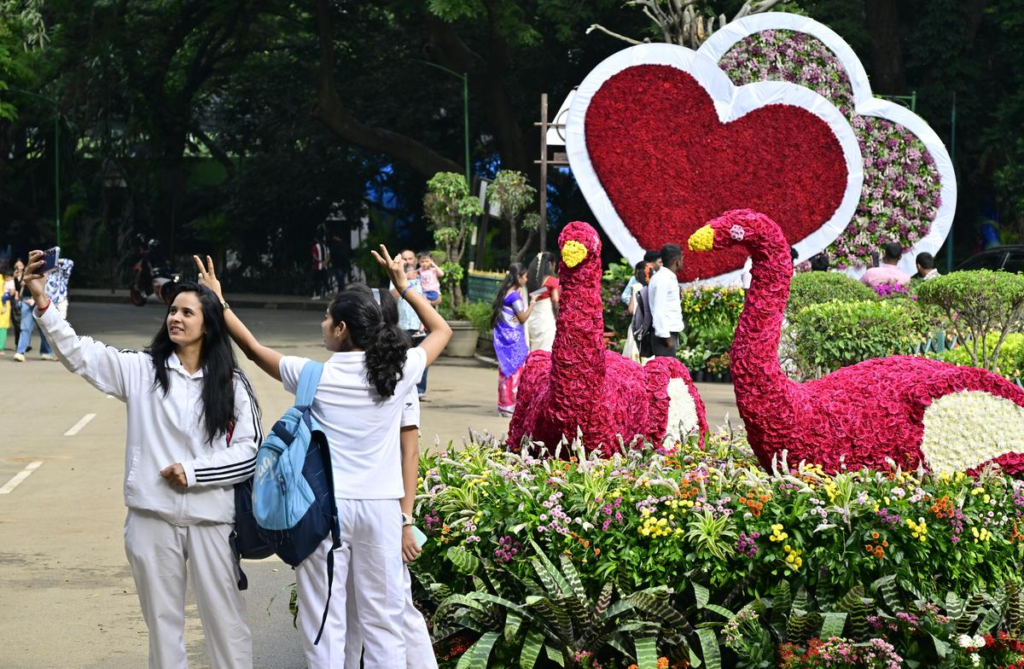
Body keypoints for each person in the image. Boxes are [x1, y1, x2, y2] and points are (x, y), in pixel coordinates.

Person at [193, 246, 451, 669]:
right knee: (384, 623)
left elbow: (253, 349)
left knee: (324, 623)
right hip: (382, 510)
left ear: (342, 328)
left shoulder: (314, 375)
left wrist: (219, 302)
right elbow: (441, 330)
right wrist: (404, 287)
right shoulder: (398, 371)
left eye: (327, 317)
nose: (322, 323)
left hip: (326, 512)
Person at [23, 251, 260, 668]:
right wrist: (43, 301)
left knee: (226, 625)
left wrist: (193, 472)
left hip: (212, 522)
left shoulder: (232, 383)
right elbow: (79, 354)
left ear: (208, 324)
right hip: (151, 518)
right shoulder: (142, 369)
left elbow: (248, 451)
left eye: (187, 312)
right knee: (163, 629)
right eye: (173, 311)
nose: (176, 318)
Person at [342, 284, 437, 669]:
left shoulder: (399, 376)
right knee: (347, 613)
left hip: (384, 513)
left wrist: (405, 520)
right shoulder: (341, 372)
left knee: (396, 609)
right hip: (348, 511)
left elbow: (409, 453)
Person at [491, 263, 534, 416]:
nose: (526, 279)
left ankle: (504, 405)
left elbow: (511, 316)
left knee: (505, 370)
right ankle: (512, 405)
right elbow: (522, 318)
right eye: (525, 276)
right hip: (514, 340)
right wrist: (533, 302)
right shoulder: (514, 296)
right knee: (516, 370)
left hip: (505, 338)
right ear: (518, 277)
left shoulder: (506, 292)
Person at [392, 249, 428, 397]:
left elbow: (437, 298)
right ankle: (403, 389)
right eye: (405, 259)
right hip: (402, 325)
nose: (408, 262)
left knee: (422, 359)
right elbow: (392, 296)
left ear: (415, 260)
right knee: (402, 359)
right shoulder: (395, 276)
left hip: (421, 324)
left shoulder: (424, 276)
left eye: (410, 258)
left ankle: (420, 390)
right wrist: (403, 279)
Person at [14, 253, 57, 362]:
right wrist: (19, 279)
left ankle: (46, 352)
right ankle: (20, 352)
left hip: (40, 301)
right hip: (26, 301)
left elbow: (48, 288)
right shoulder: (22, 274)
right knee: (25, 327)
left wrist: (35, 299)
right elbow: (18, 290)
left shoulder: (44, 273)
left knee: (44, 328)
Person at [648, 244, 684, 358]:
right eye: (682, 259)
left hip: (668, 334)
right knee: (665, 369)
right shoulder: (663, 279)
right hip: (664, 337)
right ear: (677, 261)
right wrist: (666, 338)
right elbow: (658, 310)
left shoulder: (667, 277)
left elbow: (668, 306)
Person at [525, 251, 559, 352]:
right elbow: (555, 301)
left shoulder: (533, 282)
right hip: (546, 320)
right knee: (546, 351)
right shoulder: (552, 281)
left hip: (533, 319)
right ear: (550, 264)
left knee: (534, 350)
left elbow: (533, 295)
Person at [622, 260, 648, 363]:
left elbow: (631, 309)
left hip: (637, 325)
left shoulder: (636, 287)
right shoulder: (654, 287)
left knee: (633, 356)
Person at [312, 235, 331, 300]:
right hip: (324, 266)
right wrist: (325, 262)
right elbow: (328, 256)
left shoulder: (315, 247)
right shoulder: (326, 247)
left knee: (317, 281)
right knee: (325, 280)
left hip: (317, 266)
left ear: (316, 239)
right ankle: (329, 291)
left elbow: (314, 256)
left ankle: (317, 295)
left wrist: (320, 261)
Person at [0, 268, 12, 354]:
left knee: (2, 328)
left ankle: (0, 348)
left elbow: (11, 292)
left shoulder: (5, 279)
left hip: (4, 307)